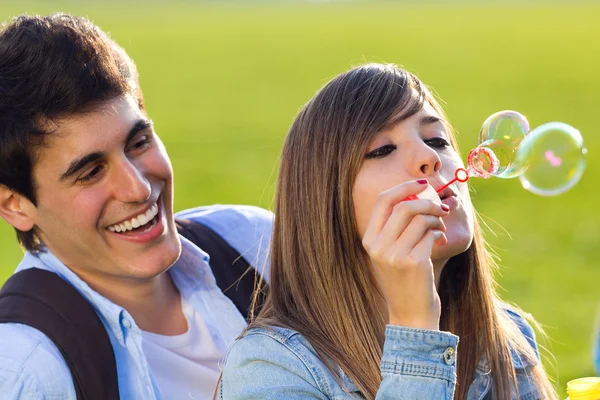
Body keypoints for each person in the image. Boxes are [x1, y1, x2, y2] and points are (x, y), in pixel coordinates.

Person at [219, 63, 557, 399]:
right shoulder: (270, 369)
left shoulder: (506, 336)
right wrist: (415, 328)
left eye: (437, 139)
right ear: (327, 204)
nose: (429, 157)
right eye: (383, 149)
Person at [0, 13, 272, 399]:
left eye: (139, 143)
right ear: (15, 205)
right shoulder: (26, 371)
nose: (139, 188)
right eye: (91, 172)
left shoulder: (257, 244)